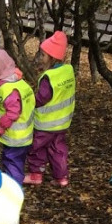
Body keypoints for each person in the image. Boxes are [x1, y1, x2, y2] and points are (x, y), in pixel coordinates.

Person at [24, 31, 75, 187]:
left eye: (44, 55)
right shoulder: (68, 71)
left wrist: (29, 101)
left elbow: (42, 98)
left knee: (37, 148)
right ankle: (61, 177)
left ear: (52, 58)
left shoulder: (49, 77)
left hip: (45, 124)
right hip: (62, 123)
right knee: (58, 149)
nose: (42, 58)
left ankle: (36, 174)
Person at [0, 49, 34, 186]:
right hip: (25, 134)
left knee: (11, 160)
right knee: (17, 160)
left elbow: (12, 113)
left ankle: (14, 187)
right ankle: (16, 178)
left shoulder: (8, 89)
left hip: (15, 136)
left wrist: (0, 127)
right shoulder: (20, 83)